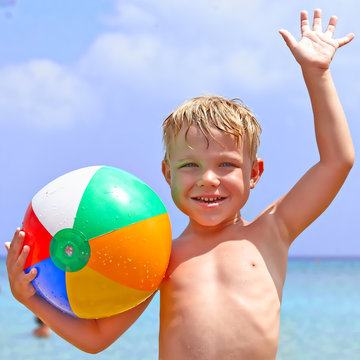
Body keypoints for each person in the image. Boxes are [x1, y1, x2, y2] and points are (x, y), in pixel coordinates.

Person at [4, 9, 354, 360]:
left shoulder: (273, 230)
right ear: (167, 174)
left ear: (254, 173)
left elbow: (338, 161)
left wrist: (317, 73)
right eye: (190, 165)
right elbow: (96, 338)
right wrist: (29, 297)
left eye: (227, 165)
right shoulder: (157, 256)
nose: (208, 179)